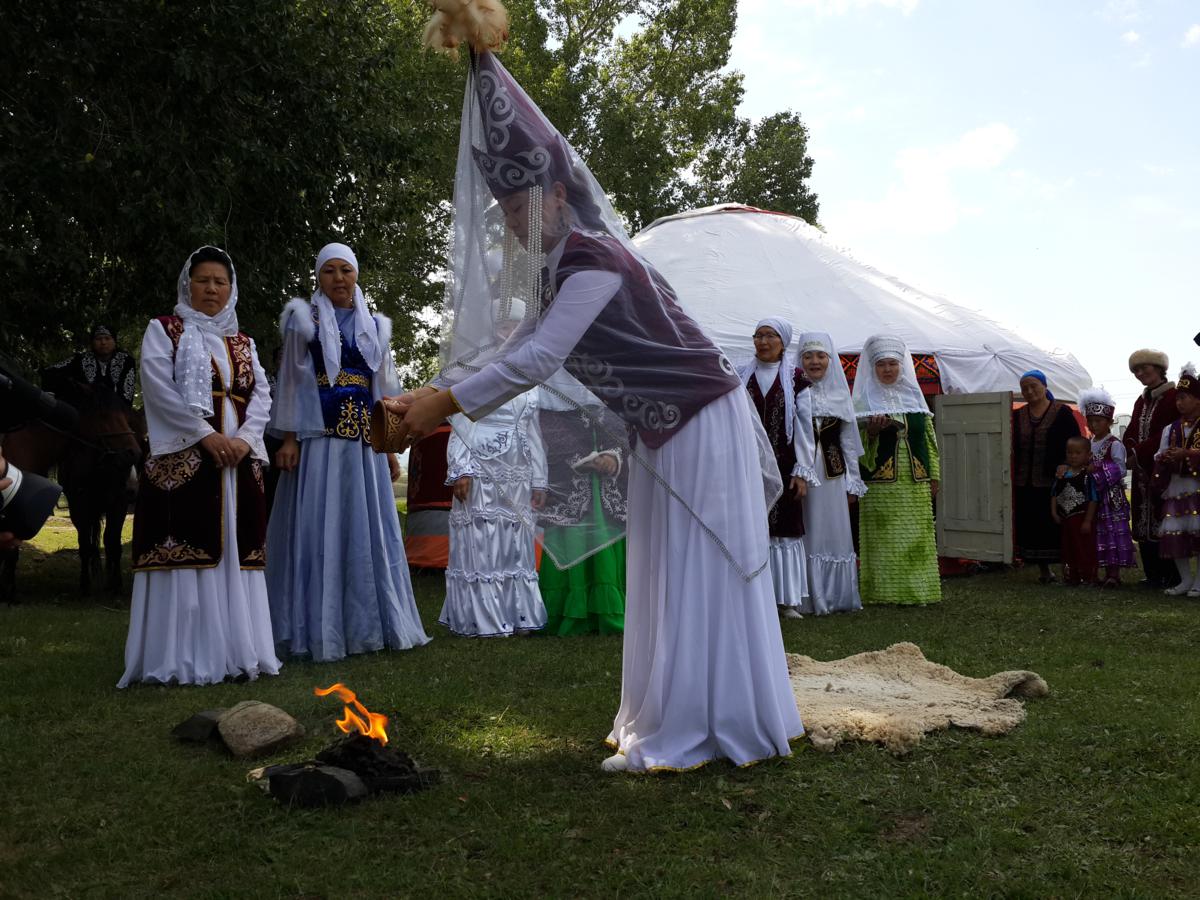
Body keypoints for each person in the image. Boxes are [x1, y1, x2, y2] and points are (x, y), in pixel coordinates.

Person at [391, 31, 802, 773]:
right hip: (666, 429)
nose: (516, 218)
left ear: (558, 192)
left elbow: (543, 356)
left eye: (525, 200)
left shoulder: (592, 255)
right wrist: (430, 393)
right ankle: (678, 718)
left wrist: (444, 404)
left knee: (695, 569)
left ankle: (710, 725)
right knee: (666, 571)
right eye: (506, 207)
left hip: (699, 421)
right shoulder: (560, 270)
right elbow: (517, 351)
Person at [119, 246, 280, 687]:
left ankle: (237, 652)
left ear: (231, 289)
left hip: (236, 465)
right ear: (187, 284)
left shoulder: (243, 343)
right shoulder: (164, 331)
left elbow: (261, 397)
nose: (212, 289)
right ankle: (181, 658)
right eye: (204, 280)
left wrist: (244, 442)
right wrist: (207, 436)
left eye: (220, 282)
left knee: (236, 552)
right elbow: (158, 388)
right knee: (187, 550)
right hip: (187, 459)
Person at [266, 243, 430, 662]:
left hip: (364, 443)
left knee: (365, 527)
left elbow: (384, 388)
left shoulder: (373, 325)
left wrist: (390, 446)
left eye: (346, 271)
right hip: (318, 438)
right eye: (330, 271)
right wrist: (287, 438)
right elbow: (292, 382)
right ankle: (315, 627)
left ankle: (369, 626)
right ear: (318, 277)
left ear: (357, 276)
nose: (339, 279)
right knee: (320, 525)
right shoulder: (304, 320)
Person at [738, 318, 819, 618]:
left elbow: (804, 428)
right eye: (758, 335)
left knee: (784, 531)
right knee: (752, 528)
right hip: (749, 464)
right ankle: (754, 597)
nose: (762, 341)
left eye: (769, 336)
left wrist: (802, 471)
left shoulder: (797, 379)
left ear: (783, 342)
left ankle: (786, 601)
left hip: (785, 466)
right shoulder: (741, 376)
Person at [853, 335, 941, 606]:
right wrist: (872, 432)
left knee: (916, 536)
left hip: (915, 481)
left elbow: (929, 440)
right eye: (881, 365)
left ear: (902, 366)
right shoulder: (863, 401)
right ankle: (884, 593)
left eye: (893, 364)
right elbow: (854, 445)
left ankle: (918, 592)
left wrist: (934, 475)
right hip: (880, 483)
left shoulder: (914, 397)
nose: (888, 369)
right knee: (884, 537)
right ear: (873, 368)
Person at [537, 368, 627, 635]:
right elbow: (548, 424)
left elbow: (622, 419)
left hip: (609, 482)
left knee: (608, 533)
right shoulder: (551, 370)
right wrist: (582, 457)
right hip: (568, 475)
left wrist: (613, 454)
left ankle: (611, 611)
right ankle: (568, 611)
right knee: (571, 535)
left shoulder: (607, 366)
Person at [798, 332, 865, 614]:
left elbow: (848, 440)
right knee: (806, 527)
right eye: (808, 356)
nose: (815, 361)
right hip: (801, 472)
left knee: (833, 529)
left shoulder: (841, 395)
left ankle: (836, 595)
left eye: (820, 356)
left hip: (833, 472)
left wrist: (854, 480)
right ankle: (804, 595)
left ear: (830, 360)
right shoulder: (794, 391)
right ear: (800, 360)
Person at [1012, 369, 1081, 583]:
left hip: (1054, 480)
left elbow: (1075, 441)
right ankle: (1044, 571)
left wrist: (1066, 463)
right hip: (1025, 482)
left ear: (1045, 386)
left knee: (1057, 523)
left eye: (1034, 386)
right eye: (1025, 388)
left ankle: (1068, 571)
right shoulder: (1017, 415)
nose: (1030, 391)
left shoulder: (1062, 413)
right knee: (1032, 526)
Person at [1124, 349, 1180, 589]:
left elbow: (1170, 430)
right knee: (1142, 519)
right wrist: (1127, 450)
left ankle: (1172, 575)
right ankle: (1153, 574)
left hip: (1165, 468)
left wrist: (1141, 452)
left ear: (1159, 368)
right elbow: (1132, 430)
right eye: (1136, 370)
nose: (1140, 373)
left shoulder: (1173, 397)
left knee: (1163, 519)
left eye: (1144, 368)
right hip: (1141, 471)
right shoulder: (1141, 399)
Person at [1080, 387, 1136, 587]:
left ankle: (1113, 574)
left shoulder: (1114, 444)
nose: (1094, 425)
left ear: (1109, 422)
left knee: (1112, 530)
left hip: (1111, 497)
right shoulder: (1088, 443)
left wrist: (1098, 470)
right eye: (1091, 421)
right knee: (1097, 532)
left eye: (1099, 421)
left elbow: (1121, 469)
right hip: (1092, 495)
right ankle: (1097, 571)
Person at [1152, 365, 1200, 597]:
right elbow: (1159, 453)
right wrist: (1165, 456)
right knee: (1177, 532)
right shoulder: (1170, 428)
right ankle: (1186, 580)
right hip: (1177, 486)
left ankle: (1199, 581)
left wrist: (1187, 454)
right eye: (1177, 399)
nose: (1179, 403)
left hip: (1197, 486)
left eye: (1185, 398)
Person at [43, 323, 137, 408]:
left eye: (107, 338)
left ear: (114, 341)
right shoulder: (80, 359)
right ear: (92, 342)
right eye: (98, 339)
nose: (103, 342)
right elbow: (50, 371)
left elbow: (127, 395)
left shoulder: (126, 360)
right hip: (86, 413)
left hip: (118, 414)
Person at [1051, 436, 1099, 586]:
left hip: (1081, 517)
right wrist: (1054, 512)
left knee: (1083, 547)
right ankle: (1070, 577)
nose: (1073, 456)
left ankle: (1087, 577)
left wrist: (1087, 520)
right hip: (1066, 518)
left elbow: (1093, 499)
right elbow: (1054, 494)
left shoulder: (1087, 476)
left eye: (1078, 453)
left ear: (1088, 455)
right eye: (1070, 453)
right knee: (1067, 547)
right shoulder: (1062, 474)